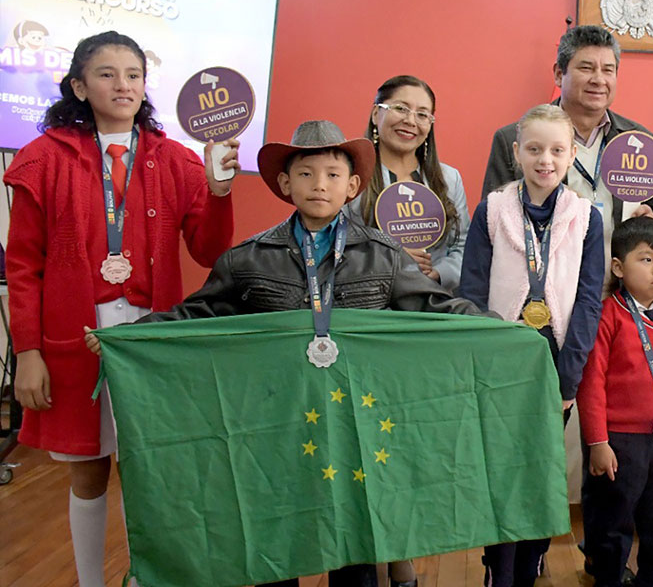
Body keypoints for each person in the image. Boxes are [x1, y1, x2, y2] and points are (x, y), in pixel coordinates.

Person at [88, 119, 483, 587]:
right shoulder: (247, 258)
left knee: (356, 529)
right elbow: (196, 315)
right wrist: (131, 336)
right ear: (284, 183)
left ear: (353, 185)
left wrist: (500, 328)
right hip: (276, 421)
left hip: (353, 419)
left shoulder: (385, 255)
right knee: (277, 525)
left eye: (334, 175)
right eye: (306, 173)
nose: (320, 185)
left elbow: (436, 306)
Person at [5, 30, 238, 587]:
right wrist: (28, 352)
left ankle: (144, 576)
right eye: (106, 74)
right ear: (79, 86)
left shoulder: (174, 159)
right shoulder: (45, 158)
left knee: (148, 469)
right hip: (73, 337)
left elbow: (208, 252)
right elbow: (23, 266)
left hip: (152, 340)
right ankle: (91, 582)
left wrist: (220, 193)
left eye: (133, 74)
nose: (122, 84)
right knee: (87, 472)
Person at [460, 103, 605, 587]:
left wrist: (569, 376)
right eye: (535, 149)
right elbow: (472, 291)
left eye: (558, 150)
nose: (546, 159)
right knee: (502, 468)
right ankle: (496, 567)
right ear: (516, 152)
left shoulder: (587, 217)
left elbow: (588, 301)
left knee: (542, 470)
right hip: (501, 361)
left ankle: (532, 558)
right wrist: (482, 360)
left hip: (555, 362)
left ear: (572, 156)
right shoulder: (493, 210)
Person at [481, 25, 653, 266]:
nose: (598, 79)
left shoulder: (639, 141)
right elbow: (493, 222)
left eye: (608, 70)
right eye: (586, 68)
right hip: (543, 286)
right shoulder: (513, 139)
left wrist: (652, 220)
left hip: (619, 287)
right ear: (559, 74)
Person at [578, 217, 653, 587]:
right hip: (620, 443)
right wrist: (597, 442)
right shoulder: (607, 316)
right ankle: (608, 578)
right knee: (613, 522)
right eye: (646, 259)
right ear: (618, 267)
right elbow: (591, 383)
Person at [343, 75, 469, 297]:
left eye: (422, 114)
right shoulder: (349, 178)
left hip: (432, 303)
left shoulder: (450, 179)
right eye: (400, 108)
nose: (411, 121)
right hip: (367, 301)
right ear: (375, 114)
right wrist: (392, 257)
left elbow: (463, 245)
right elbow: (334, 246)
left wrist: (439, 273)